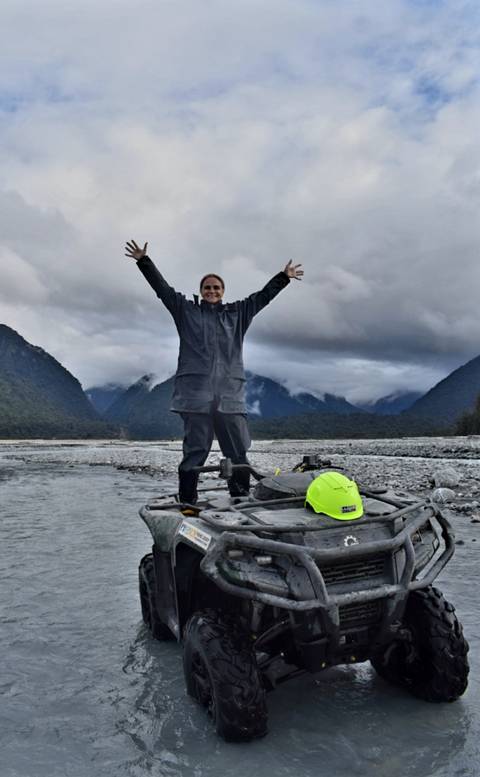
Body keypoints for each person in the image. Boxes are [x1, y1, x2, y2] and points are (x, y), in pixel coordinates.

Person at [125, 239, 303, 504]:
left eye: (216, 287)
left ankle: (240, 499)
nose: (212, 291)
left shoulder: (238, 313)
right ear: (201, 291)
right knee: (195, 452)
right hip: (195, 397)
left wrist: (283, 277)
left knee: (238, 452)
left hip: (230, 397)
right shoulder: (186, 311)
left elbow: (262, 297)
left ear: (223, 291)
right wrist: (144, 261)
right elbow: (162, 290)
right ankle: (187, 503)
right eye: (207, 287)